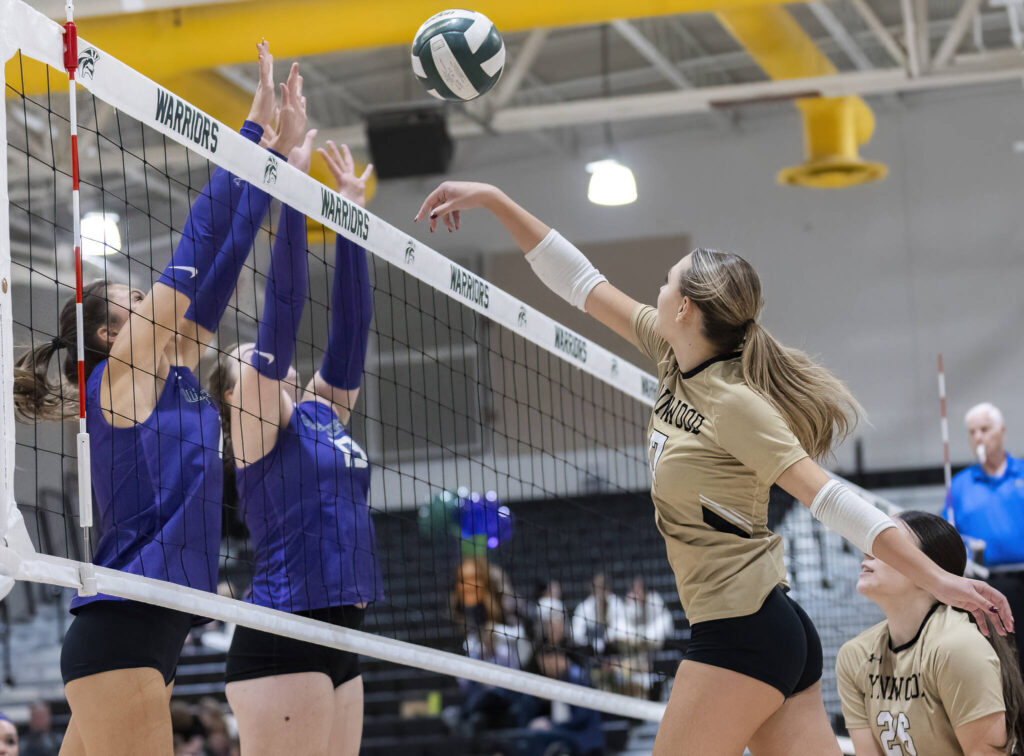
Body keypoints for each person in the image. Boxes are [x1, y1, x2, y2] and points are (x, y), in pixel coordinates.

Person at [414, 181, 1013, 756]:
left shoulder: (736, 404)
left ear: (686, 307)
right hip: (762, 628)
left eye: (666, 281)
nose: (657, 289)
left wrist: (941, 582)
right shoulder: (670, 353)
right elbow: (579, 281)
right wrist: (493, 199)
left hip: (742, 629)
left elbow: (827, 497)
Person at [12, 43, 306, 756]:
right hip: (125, 626)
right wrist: (248, 136)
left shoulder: (170, 370)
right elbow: (196, 247)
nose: (152, 299)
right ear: (111, 334)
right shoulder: (120, 377)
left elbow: (224, 264)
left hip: (151, 628)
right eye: (136, 300)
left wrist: (273, 167)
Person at [211, 137, 382, 756]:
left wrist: (349, 219)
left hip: (344, 631)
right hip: (286, 633)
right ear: (233, 396)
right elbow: (280, 314)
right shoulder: (254, 430)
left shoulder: (320, 413)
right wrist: (290, 194)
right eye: (247, 362)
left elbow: (352, 329)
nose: (260, 362)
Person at [837, 511, 1024, 755]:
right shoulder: (854, 654)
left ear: (928, 570)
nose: (868, 552)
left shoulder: (958, 647)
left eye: (887, 545)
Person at [945, 402, 1024, 665]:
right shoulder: (960, 485)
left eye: (985, 429)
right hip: (988, 584)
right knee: (1002, 658)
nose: (978, 437)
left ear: (1001, 431)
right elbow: (949, 534)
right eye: (972, 432)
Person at [571, 573, 625, 655]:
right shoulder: (584, 607)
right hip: (588, 651)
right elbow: (576, 634)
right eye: (597, 587)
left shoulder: (616, 603)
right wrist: (592, 641)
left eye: (603, 587)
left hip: (613, 650)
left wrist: (605, 639)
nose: (600, 591)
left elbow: (621, 628)